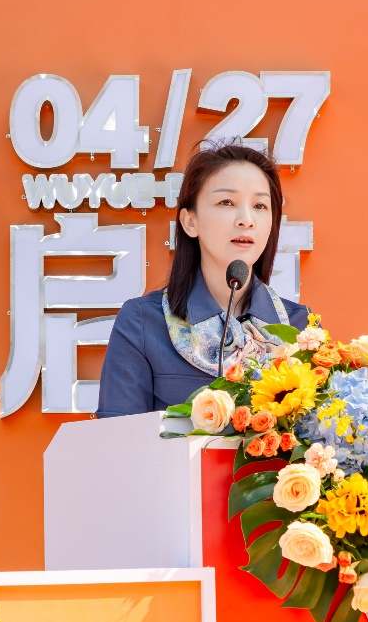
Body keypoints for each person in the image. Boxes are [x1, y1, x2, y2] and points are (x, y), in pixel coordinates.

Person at [96, 141, 310, 417]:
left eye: (260, 205)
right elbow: (116, 437)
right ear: (190, 222)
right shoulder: (143, 323)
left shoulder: (300, 328)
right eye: (226, 202)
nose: (246, 220)